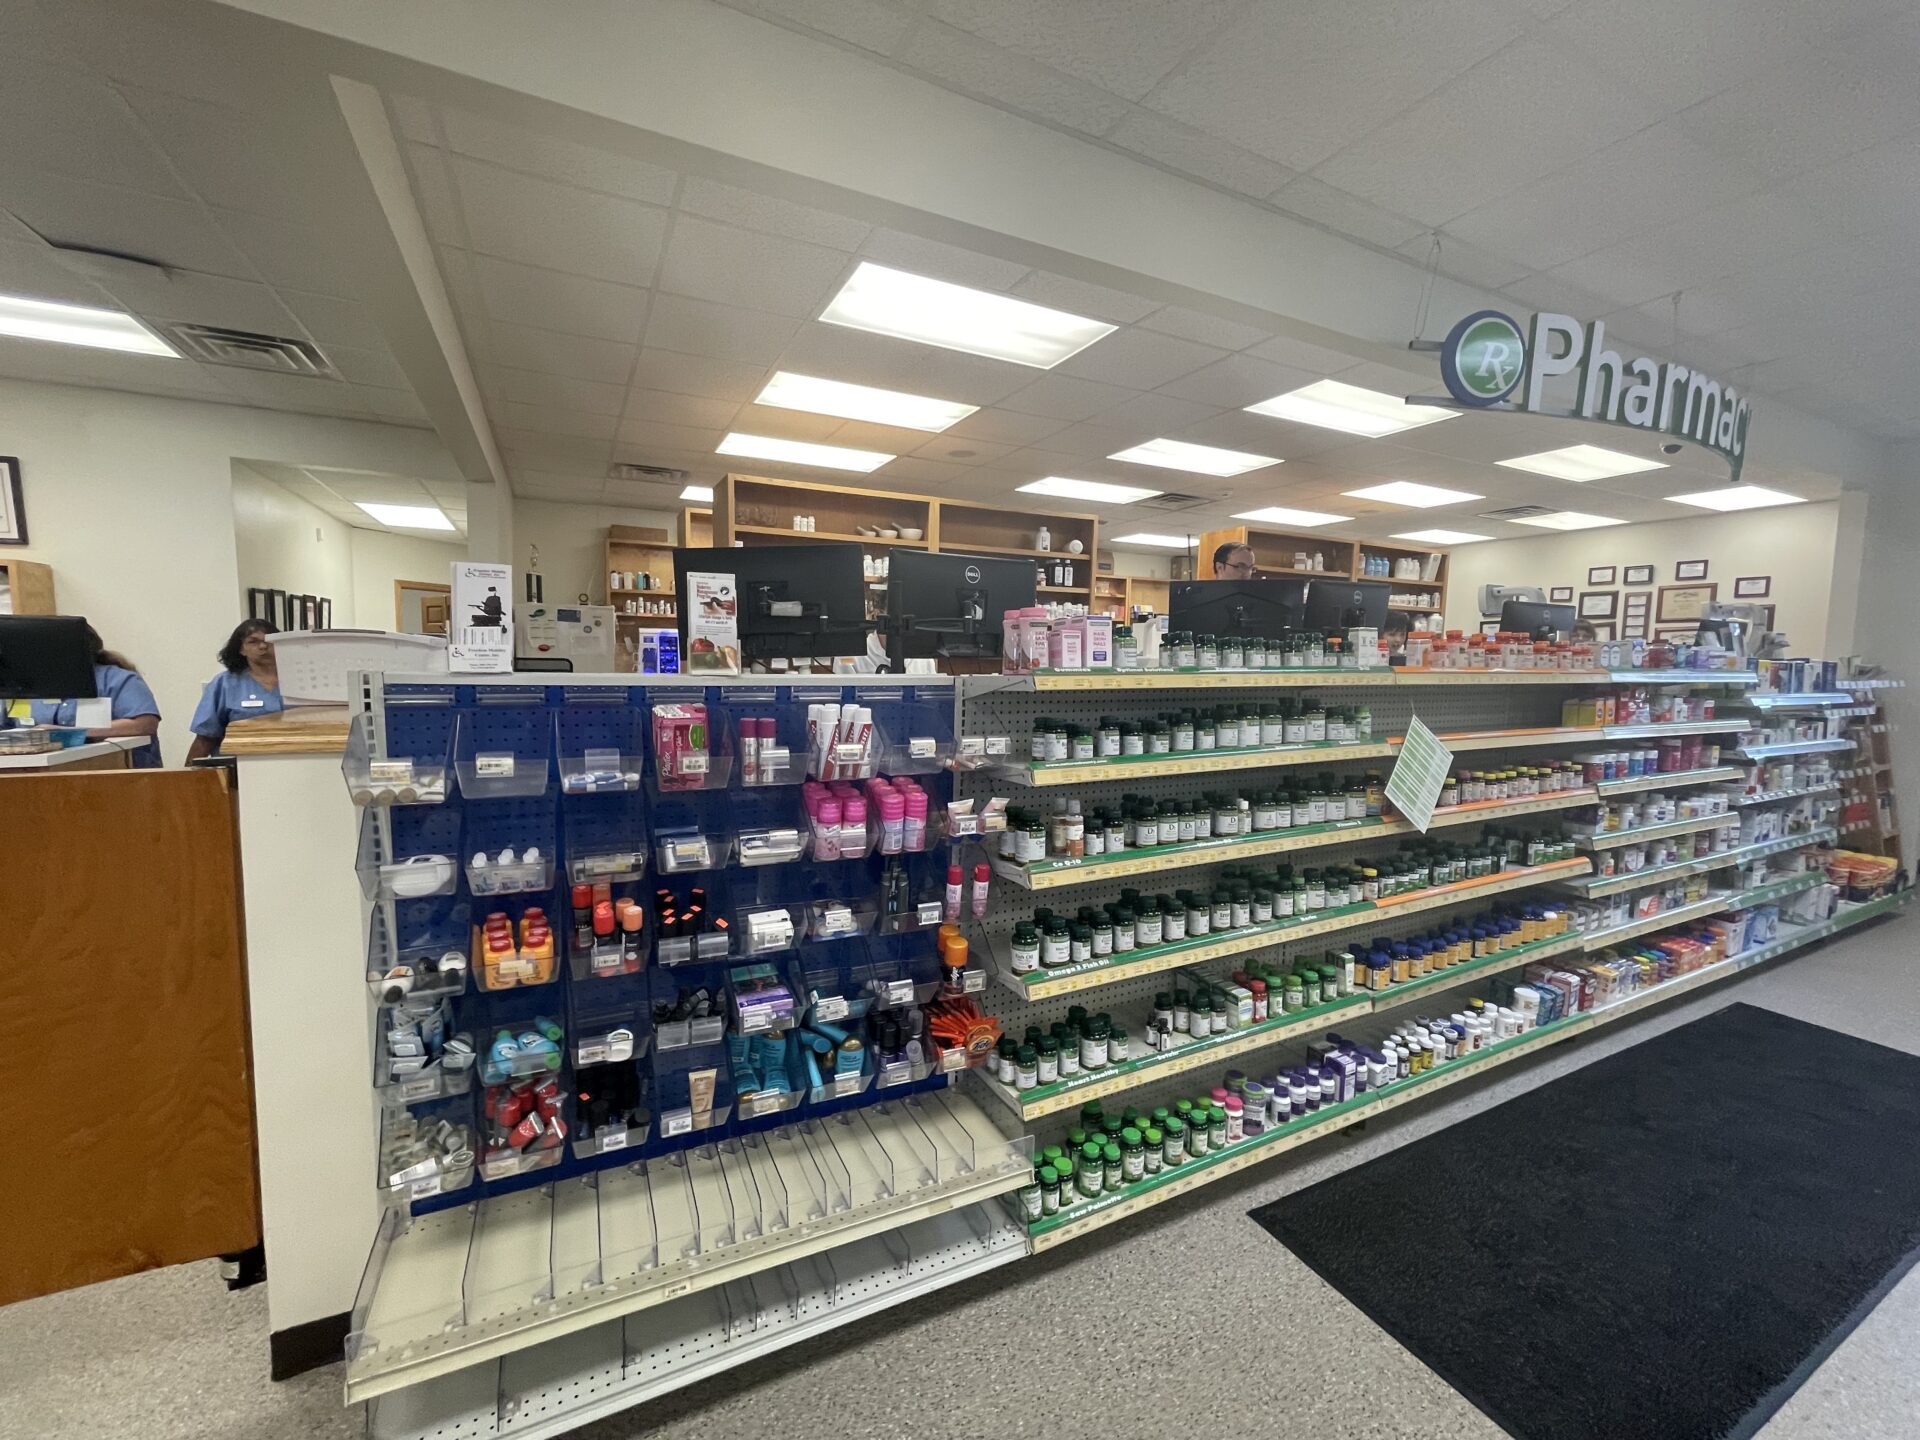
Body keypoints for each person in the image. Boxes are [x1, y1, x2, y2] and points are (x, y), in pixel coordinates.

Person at [28, 624, 162, 767]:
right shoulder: (29, 685)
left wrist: (70, 733)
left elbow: (145, 724)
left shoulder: (118, 680)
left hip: (118, 772)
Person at [187, 619, 283, 760]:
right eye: (253, 642)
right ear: (241, 649)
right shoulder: (224, 684)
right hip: (241, 766)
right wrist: (189, 777)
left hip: (298, 764)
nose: (263, 646)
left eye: (269, 640)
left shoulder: (300, 680)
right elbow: (205, 738)